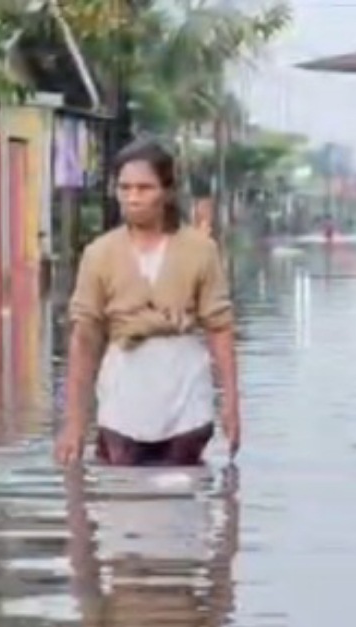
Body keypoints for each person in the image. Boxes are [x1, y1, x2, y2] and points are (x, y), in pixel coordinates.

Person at [54, 138, 241, 467]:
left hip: (185, 395)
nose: (133, 198)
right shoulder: (100, 254)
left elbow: (219, 326)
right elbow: (84, 338)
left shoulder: (200, 251)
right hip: (123, 394)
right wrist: (74, 423)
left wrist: (231, 404)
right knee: (125, 503)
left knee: (183, 497)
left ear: (167, 191)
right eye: (125, 188)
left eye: (144, 188)